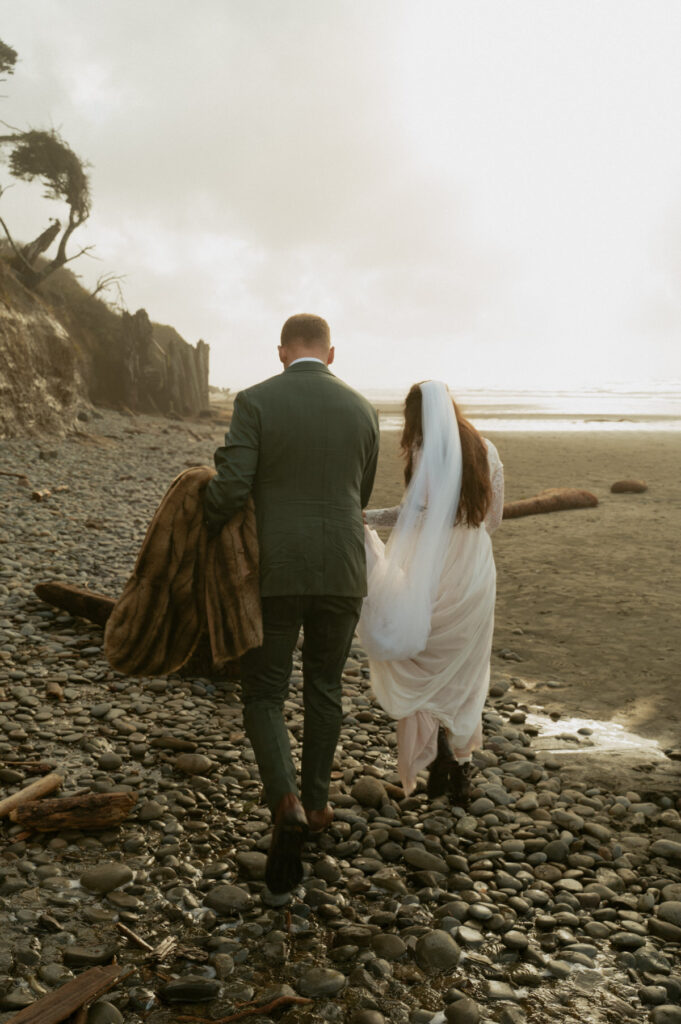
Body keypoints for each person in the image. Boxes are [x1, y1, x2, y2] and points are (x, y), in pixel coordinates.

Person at [204, 314, 380, 893]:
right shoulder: (363, 409)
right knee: (325, 687)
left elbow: (231, 488)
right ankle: (320, 804)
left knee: (264, 692)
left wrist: (200, 523)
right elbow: (362, 491)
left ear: (282, 352)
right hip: (344, 567)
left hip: (277, 569)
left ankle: (286, 807)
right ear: (331, 353)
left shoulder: (255, 401)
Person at [358, 380, 503, 807]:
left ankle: (439, 758)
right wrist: (465, 536)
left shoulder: (426, 453)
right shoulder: (488, 450)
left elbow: (412, 516)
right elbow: (491, 518)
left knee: (420, 657)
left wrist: (367, 517)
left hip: (436, 566)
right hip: (476, 568)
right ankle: (457, 767)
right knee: (465, 669)